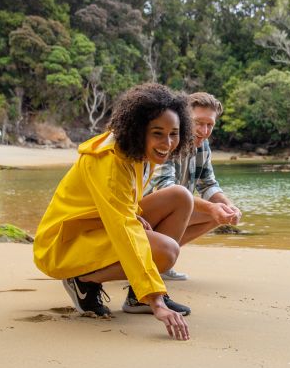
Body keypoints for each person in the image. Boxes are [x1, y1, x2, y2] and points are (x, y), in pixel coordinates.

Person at [32, 83, 195, 340]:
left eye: (174, 133)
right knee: (166, 252)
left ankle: (135, 297)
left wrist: (134, 216)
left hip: (93, 227)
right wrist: (156, 299)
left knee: (181, 197)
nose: (167, 142)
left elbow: (120, 208)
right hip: (61, 245)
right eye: (158, 133)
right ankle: (84, 282)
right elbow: (123, 229)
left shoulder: (139, 154)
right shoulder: (110, 161)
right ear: (138, 130)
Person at [147, 91, 242, 280]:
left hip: (173, 211)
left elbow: (208, 184)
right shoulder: (167, 141)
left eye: (210, 125)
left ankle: (160, 262)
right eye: (198, 122)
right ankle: (154, 260)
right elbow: (166, 189)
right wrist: (211, 207)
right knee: (189, 200)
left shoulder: (203, 145)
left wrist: (228, 207)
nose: (204, 131)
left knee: (220, 214)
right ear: (183, 118)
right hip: (144, 214)